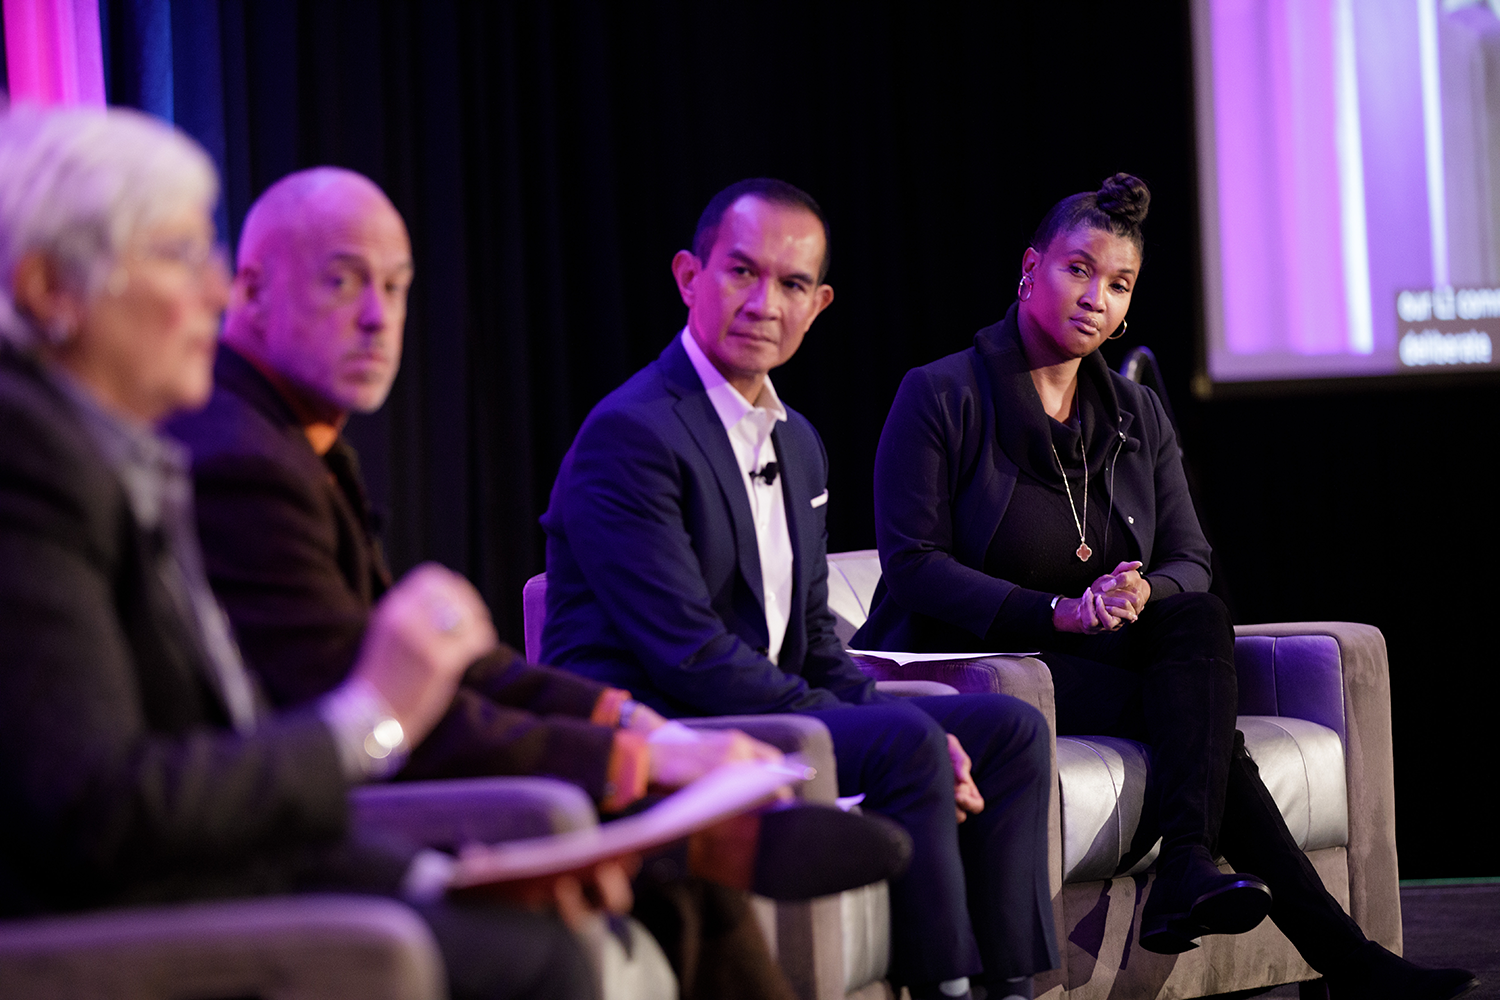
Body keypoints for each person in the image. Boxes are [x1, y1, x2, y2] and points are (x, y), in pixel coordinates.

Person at [165, 166, 907, 1000]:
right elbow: (374, 711)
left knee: (673, 855)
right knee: (628, 869)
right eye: (343, 283)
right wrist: (631, 758)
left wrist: (634, 734)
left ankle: (701, 848)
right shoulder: (240, 457)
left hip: (329, 792)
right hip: (284, 826)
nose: (378, 318)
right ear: (249, 291)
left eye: (397, 287)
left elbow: (452, 670)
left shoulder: (298, 444)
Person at [0, 106, 600, 1000]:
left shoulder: (127, 456)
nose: (214, 292)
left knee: (538, 927)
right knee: (536, 960)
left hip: (221, 877)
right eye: (175, 255)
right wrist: (371, 714)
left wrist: (432, 878)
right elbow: (101, 812)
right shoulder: (27, 462)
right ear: (51, 288)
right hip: (111, 929)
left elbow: (211, 765)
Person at [850, 173, 1478, 1000]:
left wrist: (1139, 592)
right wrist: (1060, 611)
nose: (1095, 299)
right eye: (1078, 270)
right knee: (1201, 725)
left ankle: (1192, 865)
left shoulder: (1135, 414)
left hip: (1096, 659)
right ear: (1029, 270)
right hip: (982, 664)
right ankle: (1343, 957)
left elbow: (1190, 557)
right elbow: (914, 565)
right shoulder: (942, 394)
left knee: (1197, 619)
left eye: (1118, 285)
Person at [542, 177, 1058, 1000]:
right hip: (669, 720)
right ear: (689, 277)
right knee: (909, 743)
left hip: (757, 702)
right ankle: (945, 990)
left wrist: (879, 704)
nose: (763, 303)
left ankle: (1014, 988)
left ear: (819, 305)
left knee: (1008, 730)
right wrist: (886, 724)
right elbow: (691, 656)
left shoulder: (800, 443)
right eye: (741, 272)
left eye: (790, 285)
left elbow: (816, 636)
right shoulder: (632, 434)